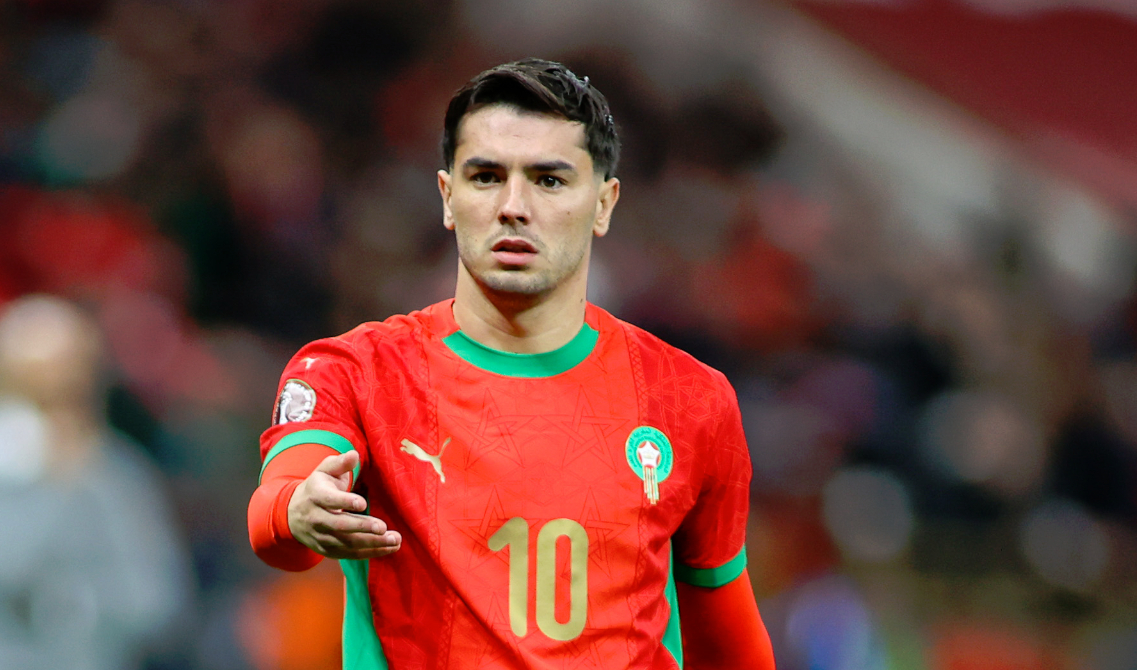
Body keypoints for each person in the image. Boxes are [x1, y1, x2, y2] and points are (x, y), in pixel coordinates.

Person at [247, 58, 774, 669]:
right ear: (448, 198)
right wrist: (298, 510)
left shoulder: (689, 399)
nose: (513, 206)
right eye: (486, 177)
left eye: (549, 180)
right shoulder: (355, 371)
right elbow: (277, 521)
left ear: (603, 204)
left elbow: (729, 636)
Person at [0, 296, 193, 670]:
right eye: (39, 379)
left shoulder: (118, 472)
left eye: (72, 374)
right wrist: (56, 484)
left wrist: (83, 608)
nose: (62, 392)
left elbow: (157, 598)